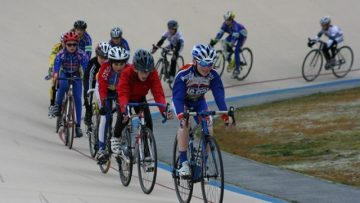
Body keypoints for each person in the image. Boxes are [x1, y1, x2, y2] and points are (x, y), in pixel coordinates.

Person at [172, 44, 230, 177]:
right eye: (204, 63)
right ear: (195, 61)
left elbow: (219, 96)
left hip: (199, 102)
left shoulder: (213, 75)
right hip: (183, 102)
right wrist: (182, 116)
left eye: (210, 64)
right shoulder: (184, 74)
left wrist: (225, 116)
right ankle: (184, 163)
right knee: (184, 124)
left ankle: (203, 162)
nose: (207, 67)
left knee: (209, 127)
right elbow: (178, 98)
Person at [111, 49, 170, 155]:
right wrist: (125, 111)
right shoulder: (127, 73)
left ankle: (147, 153)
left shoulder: (152, 73)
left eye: (147, 71)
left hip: (140, 98)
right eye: (142, 71)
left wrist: (163, 109)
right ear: (136, 69)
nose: (145, 75)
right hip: (125, 97)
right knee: (124, 118)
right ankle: (116, 137)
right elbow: (123, 94)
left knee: (148, 123)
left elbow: (158, 93)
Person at [96, 47, 130, 162]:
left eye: (122, 63)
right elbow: (101, 87)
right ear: (110, 62)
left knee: (124, 114)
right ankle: (101, 149)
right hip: (105, 91)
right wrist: (103, 102)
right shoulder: (105, 68)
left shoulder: (129, 68)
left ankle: (119, 139)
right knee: (106, 116)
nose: (119, 67)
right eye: (116, 63)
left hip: (119, 92)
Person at [53, 32, 89, 138]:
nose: (72, 47)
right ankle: (58, 106)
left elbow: (86, 68)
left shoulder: (82, 54)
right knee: (62, 86)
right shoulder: (61, 54)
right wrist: (55, 75)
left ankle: (77, 126)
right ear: (65, 44)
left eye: (74, 44)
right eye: (69, 45)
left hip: (76, 74)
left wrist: (86, 77)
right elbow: (56, 67)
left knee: (78, 98)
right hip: (65, 73)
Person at [210, 11, 247, 79]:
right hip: (233, 34)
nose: (226, 21)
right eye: (225, 19)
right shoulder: (224, 24)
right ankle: (231, 62)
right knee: (225, 45)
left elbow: (234, 39)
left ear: (231, 20)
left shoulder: (235, 26)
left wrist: (231, 44)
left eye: (228, 19)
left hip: (241, 36)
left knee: (236, 51)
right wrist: (214, 41)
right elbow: (220, 34)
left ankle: (237, 69)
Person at [83, 42, 111, 126]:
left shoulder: (111, 64)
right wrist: (89, 92)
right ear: (97, 55)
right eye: (101, 57)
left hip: (103, 82)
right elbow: (89, 79)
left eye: (106, 58)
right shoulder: (93, 64)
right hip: (90, 79)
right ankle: (88, 113)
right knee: (88, 95)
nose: (104, 60)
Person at [45, 33, 65, 118]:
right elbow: (52, 57)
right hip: (58, 66)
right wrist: (51, 69)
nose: (65, 44)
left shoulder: (73, 47)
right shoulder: (57, 47)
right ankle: (52, 105)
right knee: (54, 83)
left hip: (68, 67)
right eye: (63, 42)